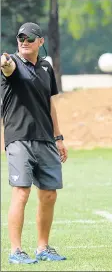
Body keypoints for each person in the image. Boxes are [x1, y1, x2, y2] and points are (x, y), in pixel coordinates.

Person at [1, 22, 68, 264]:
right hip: (19, 137)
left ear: (40, 41)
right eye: (20, 37)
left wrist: (58, 138)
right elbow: (7, 68)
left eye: (30, 37)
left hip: (46, 138)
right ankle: (16, 251)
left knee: (49, 194)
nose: (24, 40)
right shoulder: (12, 64)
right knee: (21, 192)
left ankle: (43, 248)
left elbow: (50, 104)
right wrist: (5, 62)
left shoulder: (46, 68)